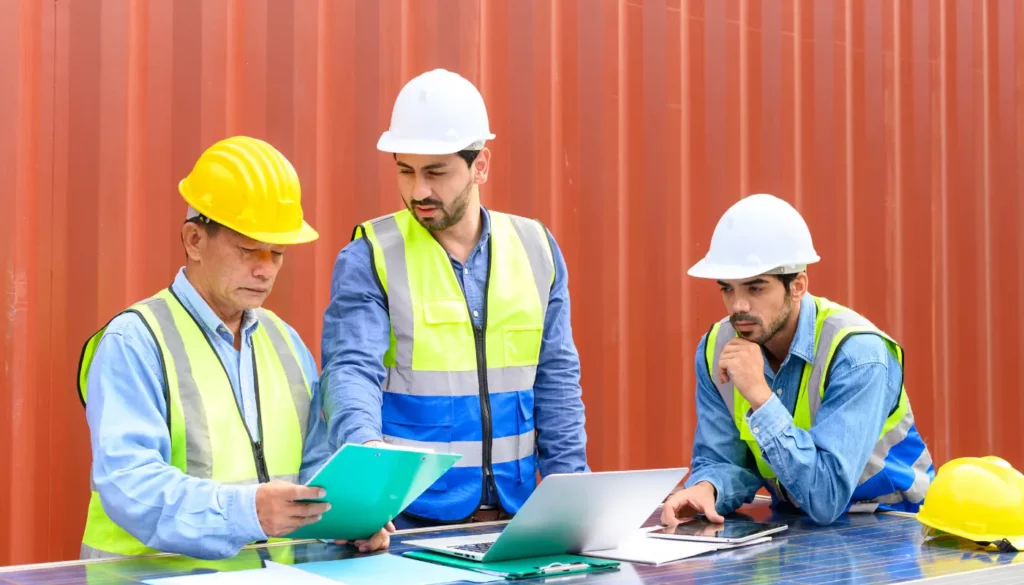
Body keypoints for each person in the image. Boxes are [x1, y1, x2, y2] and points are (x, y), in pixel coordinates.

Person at [77, 136, 392, 560]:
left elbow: (315, 465)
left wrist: (350, 519)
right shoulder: (134, 341)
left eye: (276, 254)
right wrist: (247, 511)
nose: (264, 270)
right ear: (194, 240)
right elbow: (129, 483)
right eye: (248, 250)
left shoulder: (286, 342)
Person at [320, 69, 589, 527]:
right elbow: (350, 370)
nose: (418, 190)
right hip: (407, 521)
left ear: (480, 164)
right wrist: (366, 462)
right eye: (405, 171)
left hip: (514, 516)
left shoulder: (536, 248)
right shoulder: (370, 256)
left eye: (435, 172)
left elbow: (556, 379)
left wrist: (572, 499)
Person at [662, 193, 934, 527]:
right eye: (728, 289)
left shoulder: (859, 354)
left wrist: (761, 400)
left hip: (896, 531)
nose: (738, 306)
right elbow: (725, 462)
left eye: (755, 288)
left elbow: (827, 495)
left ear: (798, 286)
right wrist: (708, 488)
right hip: (798, 526)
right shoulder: (715, 350)